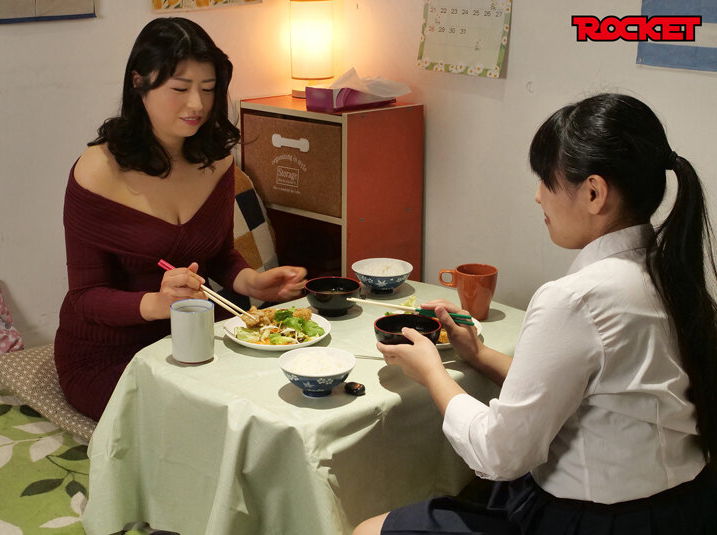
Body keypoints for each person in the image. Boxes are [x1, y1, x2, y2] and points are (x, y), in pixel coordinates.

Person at [355, 93, 717, 534]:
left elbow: (499, 454)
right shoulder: (669, 273)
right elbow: (581, 393)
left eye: (546, 180)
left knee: (368, 529)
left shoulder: (576, 299)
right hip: (685, 507)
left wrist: (431, 372)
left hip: (599, 522)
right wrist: (477, 354)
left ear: (594, 192)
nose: (538, 196)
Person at [54, 18, 306, 421]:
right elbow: (86, 297)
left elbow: (217, 253)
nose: (197, 105)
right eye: (180, 89)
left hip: (196, 334)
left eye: (208, 89)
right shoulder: (98, 170)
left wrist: (252, 282)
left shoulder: (216, 159)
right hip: (110, 352)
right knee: (201, 419)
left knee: (286, 387)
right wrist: (158, 303)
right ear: (139, 83)